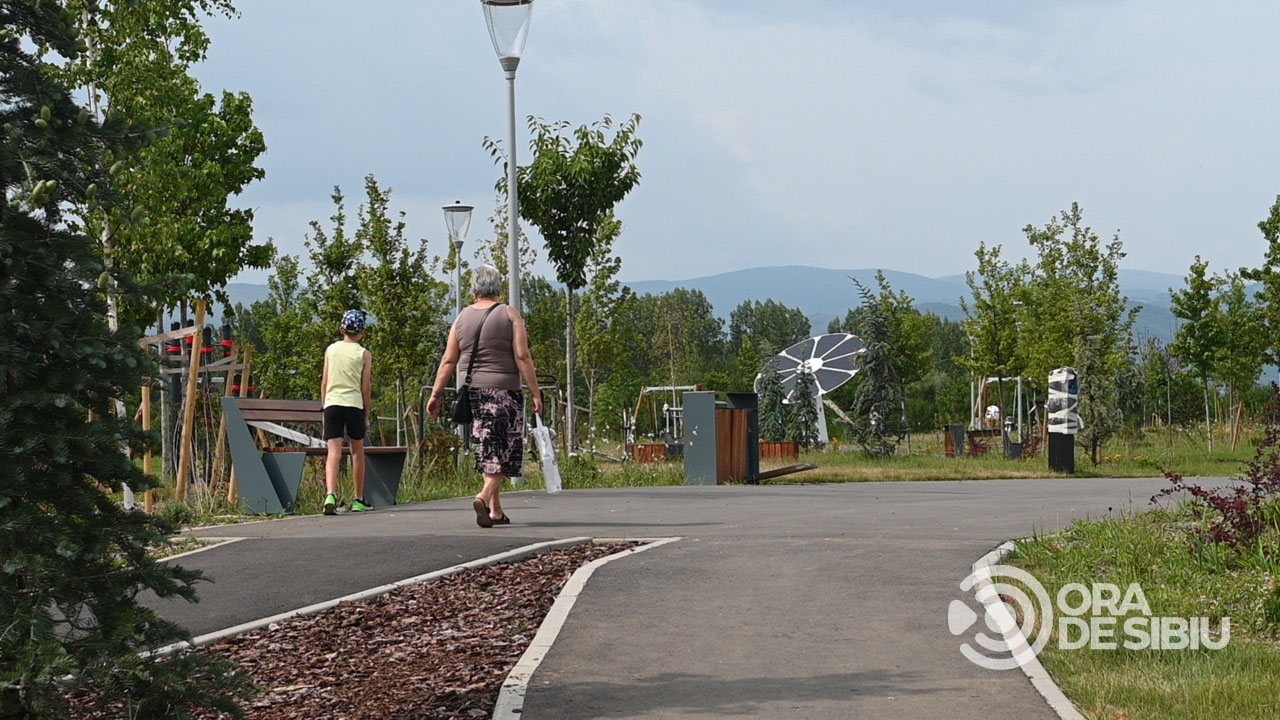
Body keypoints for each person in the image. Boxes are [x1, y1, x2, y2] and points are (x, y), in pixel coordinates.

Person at [428, 264, 542, 527]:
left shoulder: (461, 318)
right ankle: (483, 496)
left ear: (474, 289)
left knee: (489, 446)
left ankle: (496, 511)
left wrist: (436, 394)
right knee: (505, 450)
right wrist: (535, 393)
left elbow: (448, 361)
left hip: (475, 394)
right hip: (506, 392)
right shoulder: (509, 314)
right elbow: (523, 357)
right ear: (498, 287)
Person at [320, 310, 373, 515]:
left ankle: (330, 494)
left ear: (342, 329)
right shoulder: (364, 354)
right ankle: (358, 499)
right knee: (357, 451)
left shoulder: (331, 350)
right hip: (354, 404)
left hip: (332, 404)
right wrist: (366, 413)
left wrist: (324, 406)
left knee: (333, 452)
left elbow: (324, 382)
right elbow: (366, 387)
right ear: (362, 332)